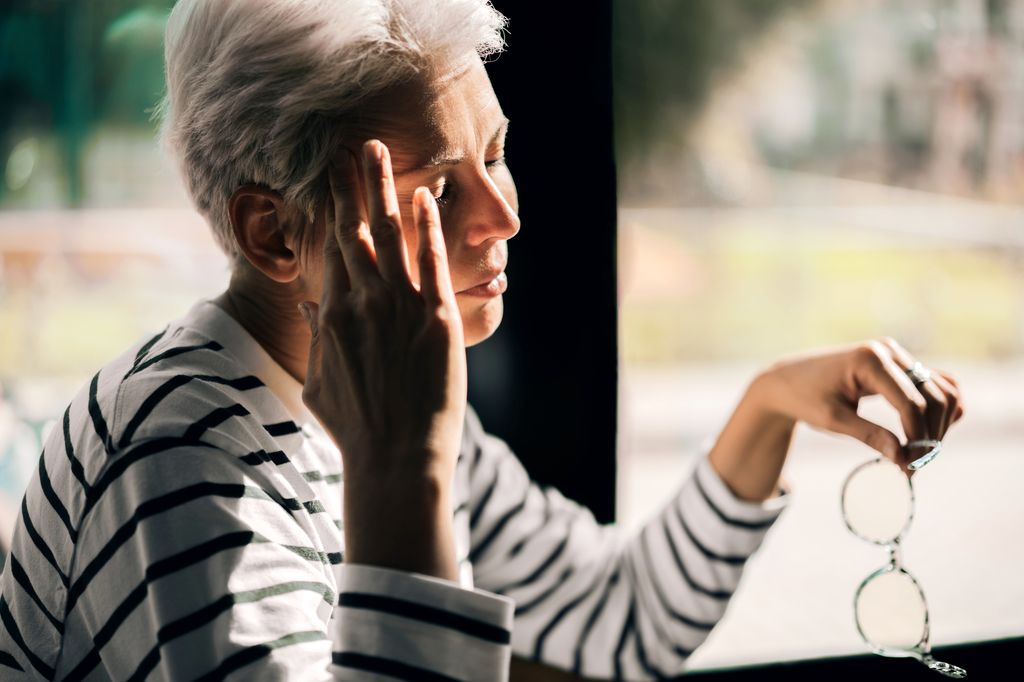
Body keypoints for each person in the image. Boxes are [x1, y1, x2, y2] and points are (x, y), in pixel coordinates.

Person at [0, 1, 963, 679]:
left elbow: (619, 621)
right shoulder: (184, 457)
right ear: (275, 234)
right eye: (436, 186)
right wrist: (403, 470)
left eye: (497, 154)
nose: (503, 216)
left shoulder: (378, 389)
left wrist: (769, 407)